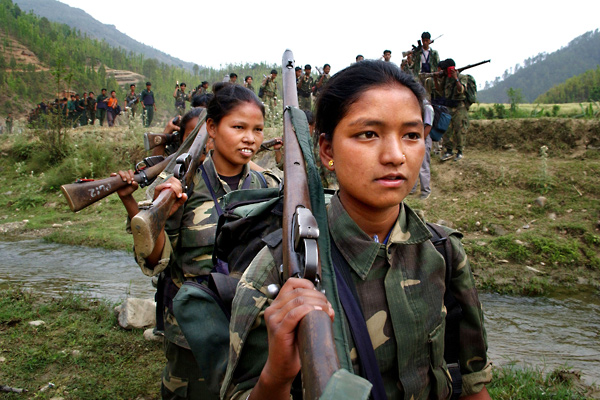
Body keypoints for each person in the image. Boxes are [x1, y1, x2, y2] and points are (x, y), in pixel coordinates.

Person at [221, 60, 491, 400]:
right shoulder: (278, 268)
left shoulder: (443, 252)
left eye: (411, 135)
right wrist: (275, 377)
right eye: (368, 134)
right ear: (326, 150)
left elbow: (472, 386)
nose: (395, 155)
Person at [114, 83, 281, 400]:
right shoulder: (181, 185)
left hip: (249, 326)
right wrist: (163, 217)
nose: (250, 138)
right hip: (193, 331)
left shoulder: (264, 183)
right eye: (238, 127)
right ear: (212, 129)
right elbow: (156, 262)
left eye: (257, 129)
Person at [437, 59, 469, 162]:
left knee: (459, 129)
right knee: (447, 129)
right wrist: (436, 78)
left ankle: (460, 151)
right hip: (448, 106)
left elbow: (461, 90)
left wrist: (456, 79)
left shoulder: (461, 77)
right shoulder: (446, 78)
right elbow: (439, 90)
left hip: (459, 107)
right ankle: (449, 150)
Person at [411, 99, 434, 199]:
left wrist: (421, 141)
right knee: (413, 164)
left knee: (423, 166)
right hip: (417, 139)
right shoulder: (418, 106)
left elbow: (428, 126)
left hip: (424, 139)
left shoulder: (427, 108)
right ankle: (412, 189)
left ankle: (426, 191)